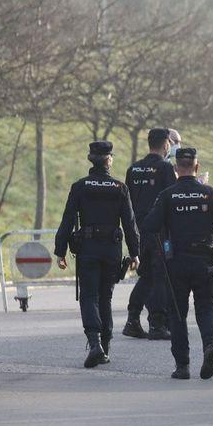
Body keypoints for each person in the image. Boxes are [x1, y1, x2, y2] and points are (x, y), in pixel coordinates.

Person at [141, 148, 213, 380]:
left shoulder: (167, 195)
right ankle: (210, 346)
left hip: (176, 264)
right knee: (205, 308)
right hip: (204, 261)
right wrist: (212, 196)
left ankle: (182, 366)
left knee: (177, 314)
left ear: (175, 168)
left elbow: (149, 225)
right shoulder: (209, 193)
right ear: (197, 167)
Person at [54, 141, 140, 369]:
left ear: (90, 159)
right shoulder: (120, 188)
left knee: (89, 297)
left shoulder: (80, 187)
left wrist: (60, 251)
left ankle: (94, 344)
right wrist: (135, 253)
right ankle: (106, 345)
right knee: (106, 298)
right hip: (112, 250)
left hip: (88, 250)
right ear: (109, 159)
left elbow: (68, 220)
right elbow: (130, 224)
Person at [123, 128, 177, 340]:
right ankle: (157, 323)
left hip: (138, 231)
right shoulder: (164, 168)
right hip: (158, 232)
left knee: (146, 277)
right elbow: (173, 197)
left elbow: (127, 204)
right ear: (165, 144)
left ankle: (132, 318)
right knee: (161, 277)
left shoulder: (133, 169)